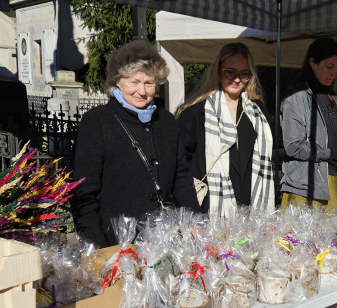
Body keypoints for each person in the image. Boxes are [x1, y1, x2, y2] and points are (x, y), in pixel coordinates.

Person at [70, 40, 199, 247]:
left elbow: (182, 179)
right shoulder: (96, 122)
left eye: (149, 83)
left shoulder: (166, 121)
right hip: (115, 245)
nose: (142, 91)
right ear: (117, 80)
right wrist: (98, 248)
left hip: (166, 242)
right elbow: (83, 194)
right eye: (134, 82)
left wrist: (194, 222)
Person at [177, 43, 276, 216]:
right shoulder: (196, 112)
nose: (237, 79)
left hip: (253, 210)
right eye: (230, 72)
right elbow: (180, 164)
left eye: (243, 74)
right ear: (218, 70)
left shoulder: (259, 112)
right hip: (210, 210)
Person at [280, 37, 337, 210]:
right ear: (312, 63)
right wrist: (336, 154)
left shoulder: (336, 98)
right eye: (330, 66)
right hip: (306, 187)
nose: (334, 73)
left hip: (335, 181)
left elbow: (329, 138)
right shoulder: (296, 97)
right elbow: (294, 146)